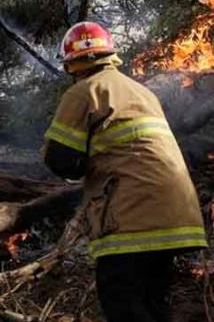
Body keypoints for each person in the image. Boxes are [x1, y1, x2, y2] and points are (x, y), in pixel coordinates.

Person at [42, 22, 207, 322]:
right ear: (109, 54)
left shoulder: (85, 91)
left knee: (123, 306)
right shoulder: (142, 92)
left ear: (71, 64)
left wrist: (84, 166)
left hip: (131, 220)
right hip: (177, 215)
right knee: (154, 306)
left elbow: (60, 158)